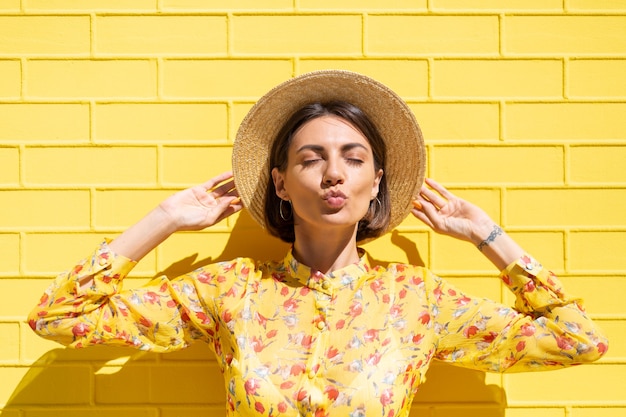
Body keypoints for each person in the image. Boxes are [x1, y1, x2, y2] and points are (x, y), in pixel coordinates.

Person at [29, 70, 608, 417]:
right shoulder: (229, 289)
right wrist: (162, 220)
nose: (334, 174)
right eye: (311, 159)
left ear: (375, 181)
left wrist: (488, 237)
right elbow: (57, 317)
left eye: (354, 160)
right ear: (281, 181)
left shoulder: (418, 301)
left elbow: (579, 342)